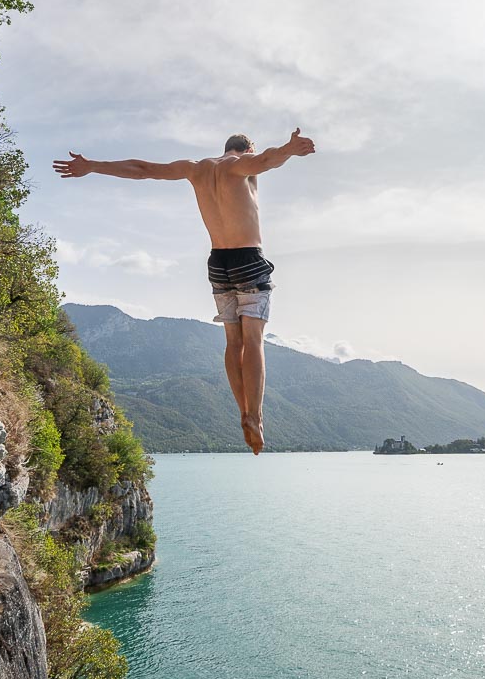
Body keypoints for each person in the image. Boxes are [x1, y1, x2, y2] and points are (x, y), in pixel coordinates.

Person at [53, 129, 316, 454]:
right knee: (254, 341)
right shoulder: (241, 165)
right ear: (246, 149)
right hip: (248, 260)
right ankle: (256, 416)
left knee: (234, 343)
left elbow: (143, 169)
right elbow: (265, 160)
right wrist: (289, 149)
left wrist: (92, 165)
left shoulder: (197, 169)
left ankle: (242, 411)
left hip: (218, 262)